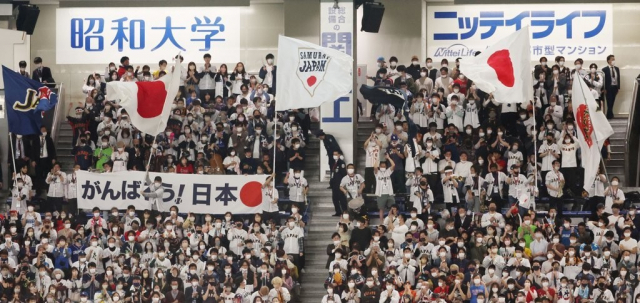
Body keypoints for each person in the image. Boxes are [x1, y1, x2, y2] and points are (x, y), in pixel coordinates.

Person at [601, 54, 620, 119]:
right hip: (608, 88)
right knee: (609, 101)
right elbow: (603, 80)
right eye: (612, 59)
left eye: (614, 59)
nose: (613, 60)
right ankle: (610, 115)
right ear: (608, 61)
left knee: (612, 101)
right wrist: (604, 88)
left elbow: (618, 78)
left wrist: (618, 87)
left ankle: (610, 114)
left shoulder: (617, 69)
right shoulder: (604, 69)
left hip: (615, 87)